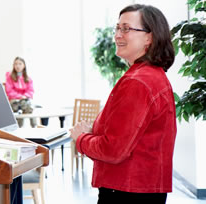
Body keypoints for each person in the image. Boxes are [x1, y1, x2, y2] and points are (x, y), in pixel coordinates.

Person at [70, 4, 176, 204]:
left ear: (149, 37)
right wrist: (96, 131)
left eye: (126, 29)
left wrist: (81, 139)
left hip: (126, 192)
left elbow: (114, 150)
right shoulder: (151, 76)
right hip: (140, 190)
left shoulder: (138, 81)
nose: (118, 35)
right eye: (117, 28)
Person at [5, 57, 36, 127]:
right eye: (16, 64)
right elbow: (9, 91)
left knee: (29, 106)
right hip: (14, 100)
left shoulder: (28, 78)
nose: (18, 66)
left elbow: (31, 90)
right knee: (20, 106)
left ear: (24, 65)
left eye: (20, 64)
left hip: (25, 100)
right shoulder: (9, 77)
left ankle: (34, 127)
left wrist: (25, 96)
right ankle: (18, 127)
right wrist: (19, 96)